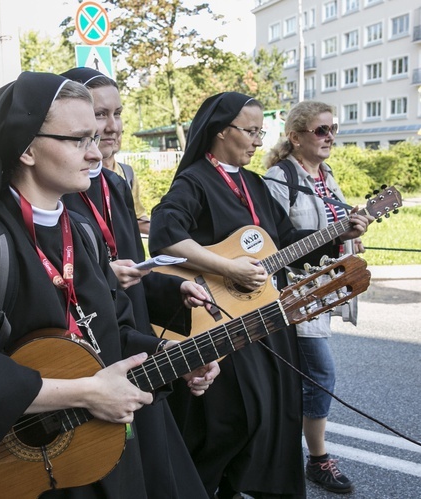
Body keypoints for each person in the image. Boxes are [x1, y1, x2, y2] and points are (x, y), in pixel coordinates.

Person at [0, 71, 216, 498]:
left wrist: (175, 355)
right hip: (28, 471)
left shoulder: (82, 233)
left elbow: (114, 336)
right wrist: (87, 391)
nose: (95, 154)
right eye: (79, 140)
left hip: (99, 453)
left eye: (95, 138)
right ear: (27, 149)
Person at [149, 92, 370, 499]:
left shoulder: (252, 182)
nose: (257, 140)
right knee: (233, 419)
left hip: (265, 317)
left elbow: (284, 242)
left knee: (274, 414)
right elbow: (166, 235)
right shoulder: (194, 180)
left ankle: (243, 489)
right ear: (220, 132)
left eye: (259, 131)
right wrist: (228, 267)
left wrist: (339, 234)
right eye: (250, 131)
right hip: (221, 322)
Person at [61, 67, 217, 498]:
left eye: (117, 113)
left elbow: (132, 265)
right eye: (99, 114)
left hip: (135, 345)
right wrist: (98, 278)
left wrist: (171, 289)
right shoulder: (61, 186)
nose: (110, 127)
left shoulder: (115, 182)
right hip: (91, 360)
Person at [263, 100, 359, 494]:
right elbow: (273, 244)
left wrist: (354, 225)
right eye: (321, 130)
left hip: (324, 291)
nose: (330, 136)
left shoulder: (327, 174)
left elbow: (333, 225)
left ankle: (279, 453)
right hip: (293, 296)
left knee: (299, 378)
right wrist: (336, 234)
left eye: (333, 129)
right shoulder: (278, 178)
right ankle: (316, 459)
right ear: (295, 136)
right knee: (319, 374)